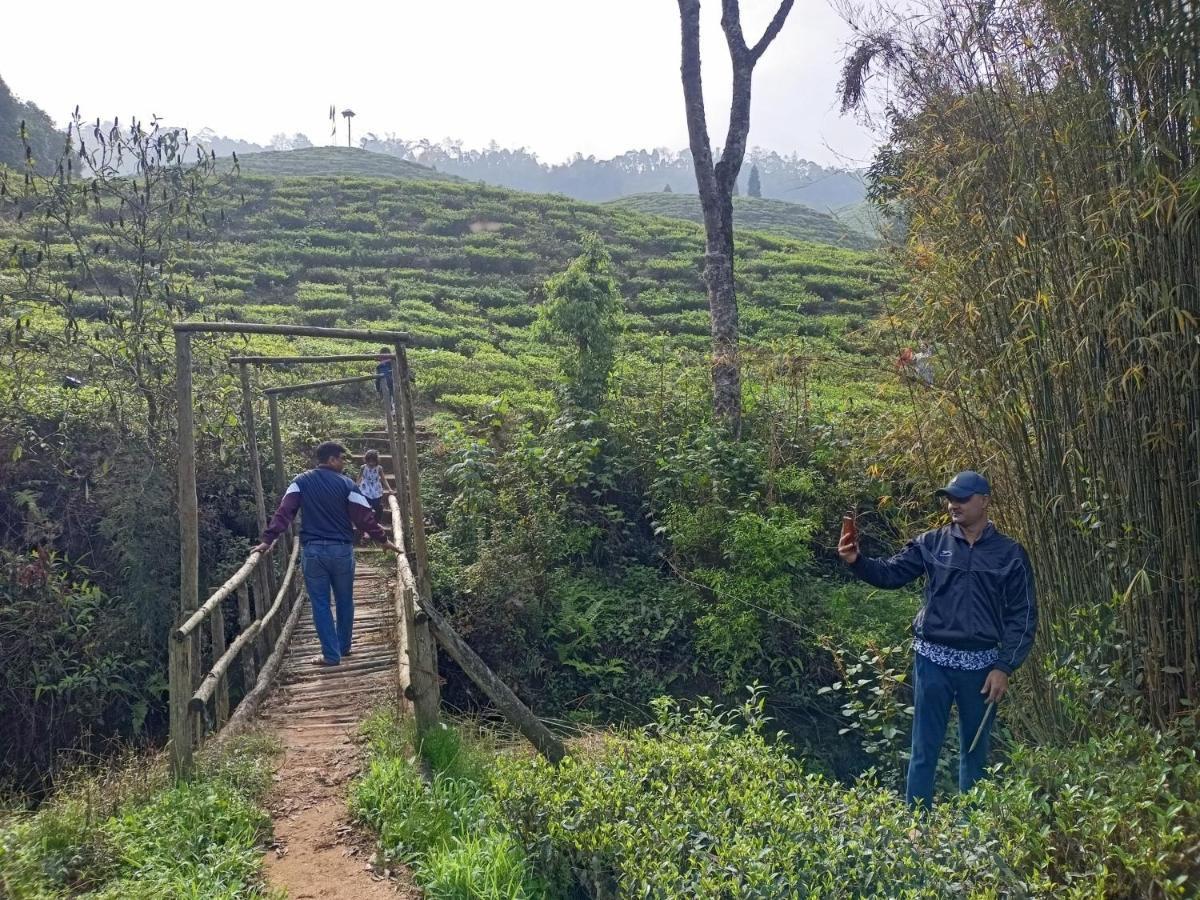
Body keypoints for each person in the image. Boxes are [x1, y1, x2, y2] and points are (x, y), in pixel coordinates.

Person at [838, 471, 1037, 808]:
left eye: (961, 498)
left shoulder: (1010, 555)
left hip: (982, 668)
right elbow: (890, 574)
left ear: (985, 500)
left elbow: (1024, 615)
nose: (952, 504)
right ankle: (917, 827)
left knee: (975, 752)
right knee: (924, 748)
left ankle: (971, 833)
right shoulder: (930, 543)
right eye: (950, 498)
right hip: (932, 663)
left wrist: (1004, 667)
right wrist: (857, 561)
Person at [254, 441, 400, 667]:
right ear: (331, 459)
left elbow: (285, 512)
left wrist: (268, 539)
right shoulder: (347, 485)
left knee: (320, 603)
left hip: (313, 552)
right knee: (344, 600)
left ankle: (331, 655)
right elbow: (364, 516)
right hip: (341, 550)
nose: (343, 463)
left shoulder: (300, 482)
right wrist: (382, 539)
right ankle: (344, 646)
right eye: (341, 458)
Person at [357, 449, 386, 518]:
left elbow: (383, 479)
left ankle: (376, 523)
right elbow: (359, 478)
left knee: (378, 507)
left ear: (376, 461)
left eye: (373, 461)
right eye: (369, 461)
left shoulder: (379, 468)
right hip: (365, 489)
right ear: (366, 460)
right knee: (364, 507)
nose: (371, 463)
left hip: (376, 490)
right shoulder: (363, 467)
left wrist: (389, 489)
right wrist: (355, 487)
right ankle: (365, 523)